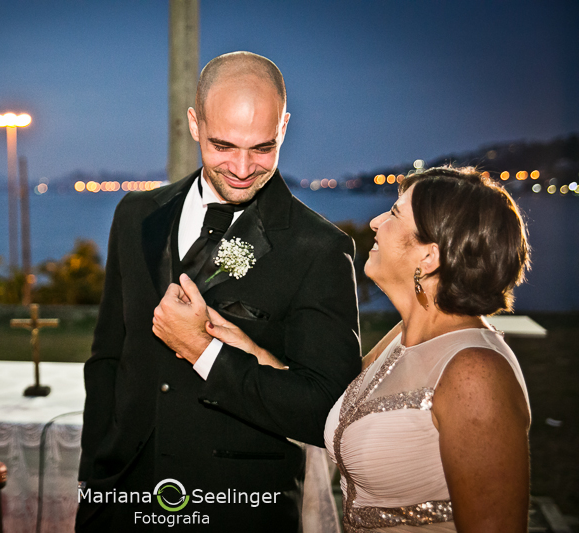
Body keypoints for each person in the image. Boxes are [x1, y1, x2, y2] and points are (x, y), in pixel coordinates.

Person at [78, 51, 362, 532]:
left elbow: (327, 412)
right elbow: (108, 358)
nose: (244, 167)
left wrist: (205, 351)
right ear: (194, 123)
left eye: (263, 148)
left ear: (285, 127)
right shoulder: (135, 216)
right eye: (224, 145)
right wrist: (96, 485)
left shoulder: (320, 249)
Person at [175, 167, 531, 532]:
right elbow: (330, 406)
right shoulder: (402, 341)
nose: (375, 222)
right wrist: (239, 345)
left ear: (429, 257)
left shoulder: (474, 371)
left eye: (394, 213)